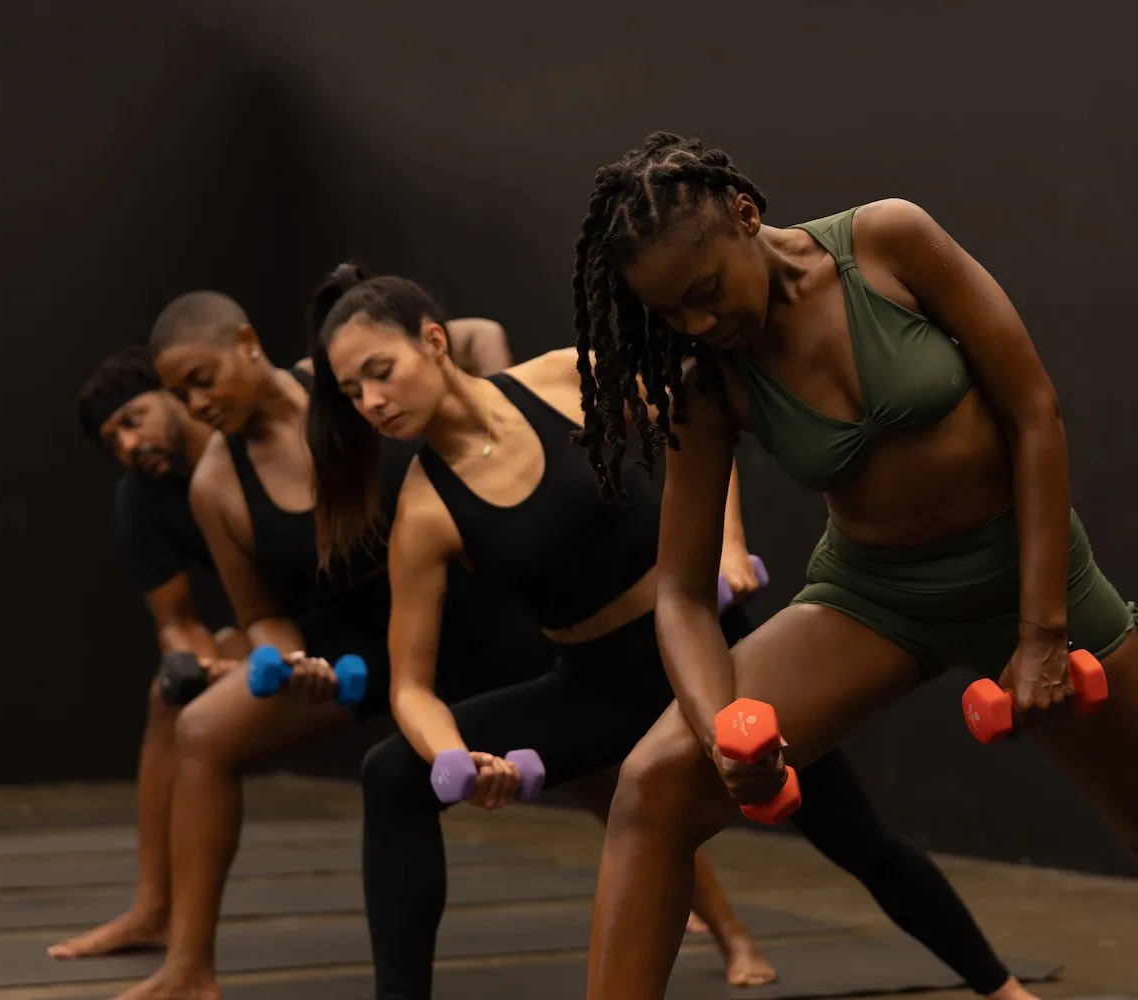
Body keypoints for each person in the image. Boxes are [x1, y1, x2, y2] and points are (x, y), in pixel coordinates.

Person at [566, 132, 1138, 1000]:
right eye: (671, 314)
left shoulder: (888, 242)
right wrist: (723, 733)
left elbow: (1034, 413)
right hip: (873, 598)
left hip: (1030, 574)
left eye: (704, 292)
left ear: (747, 215)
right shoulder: (707, 377)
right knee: (653, 785)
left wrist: (1042, 631)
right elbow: (680, 593)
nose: (698, 325)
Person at [307, 265, 1041, 1000]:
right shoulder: (424, 515)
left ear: (434, 341)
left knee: (853, 834)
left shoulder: (567, 378)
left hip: (714, 656)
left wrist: (725, 540)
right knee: (391, 773)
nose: (372, 402)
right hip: (599, 687)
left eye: (380, 372)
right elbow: (409, 684)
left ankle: (1002, 987)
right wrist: (456, 759)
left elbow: (701, 426)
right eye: (352, 393)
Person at [108, 291, 542, 1000]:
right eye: (179, 393)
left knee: (596, 761)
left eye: (203, 378)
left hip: (464, 605)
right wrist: (292, 662)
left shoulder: (344, 380)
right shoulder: (217, 482)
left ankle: (703, 913)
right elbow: (262, 615)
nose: (196, 403)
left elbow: (481, 331)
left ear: (247, 341)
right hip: (356, 644)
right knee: (201, 730)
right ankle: (189, 965)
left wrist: (510, 423)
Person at [59, 347, 253, 960]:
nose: (127, 444)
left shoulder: (250, 447)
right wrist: (192, 662)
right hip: (271, 624)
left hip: (341, 614)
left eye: (133, 418)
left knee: (204, 722)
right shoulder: (141, 497)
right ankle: (153, 911)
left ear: (175, 394)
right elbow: (177, 622)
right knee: (171, 694)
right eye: (113, 439)